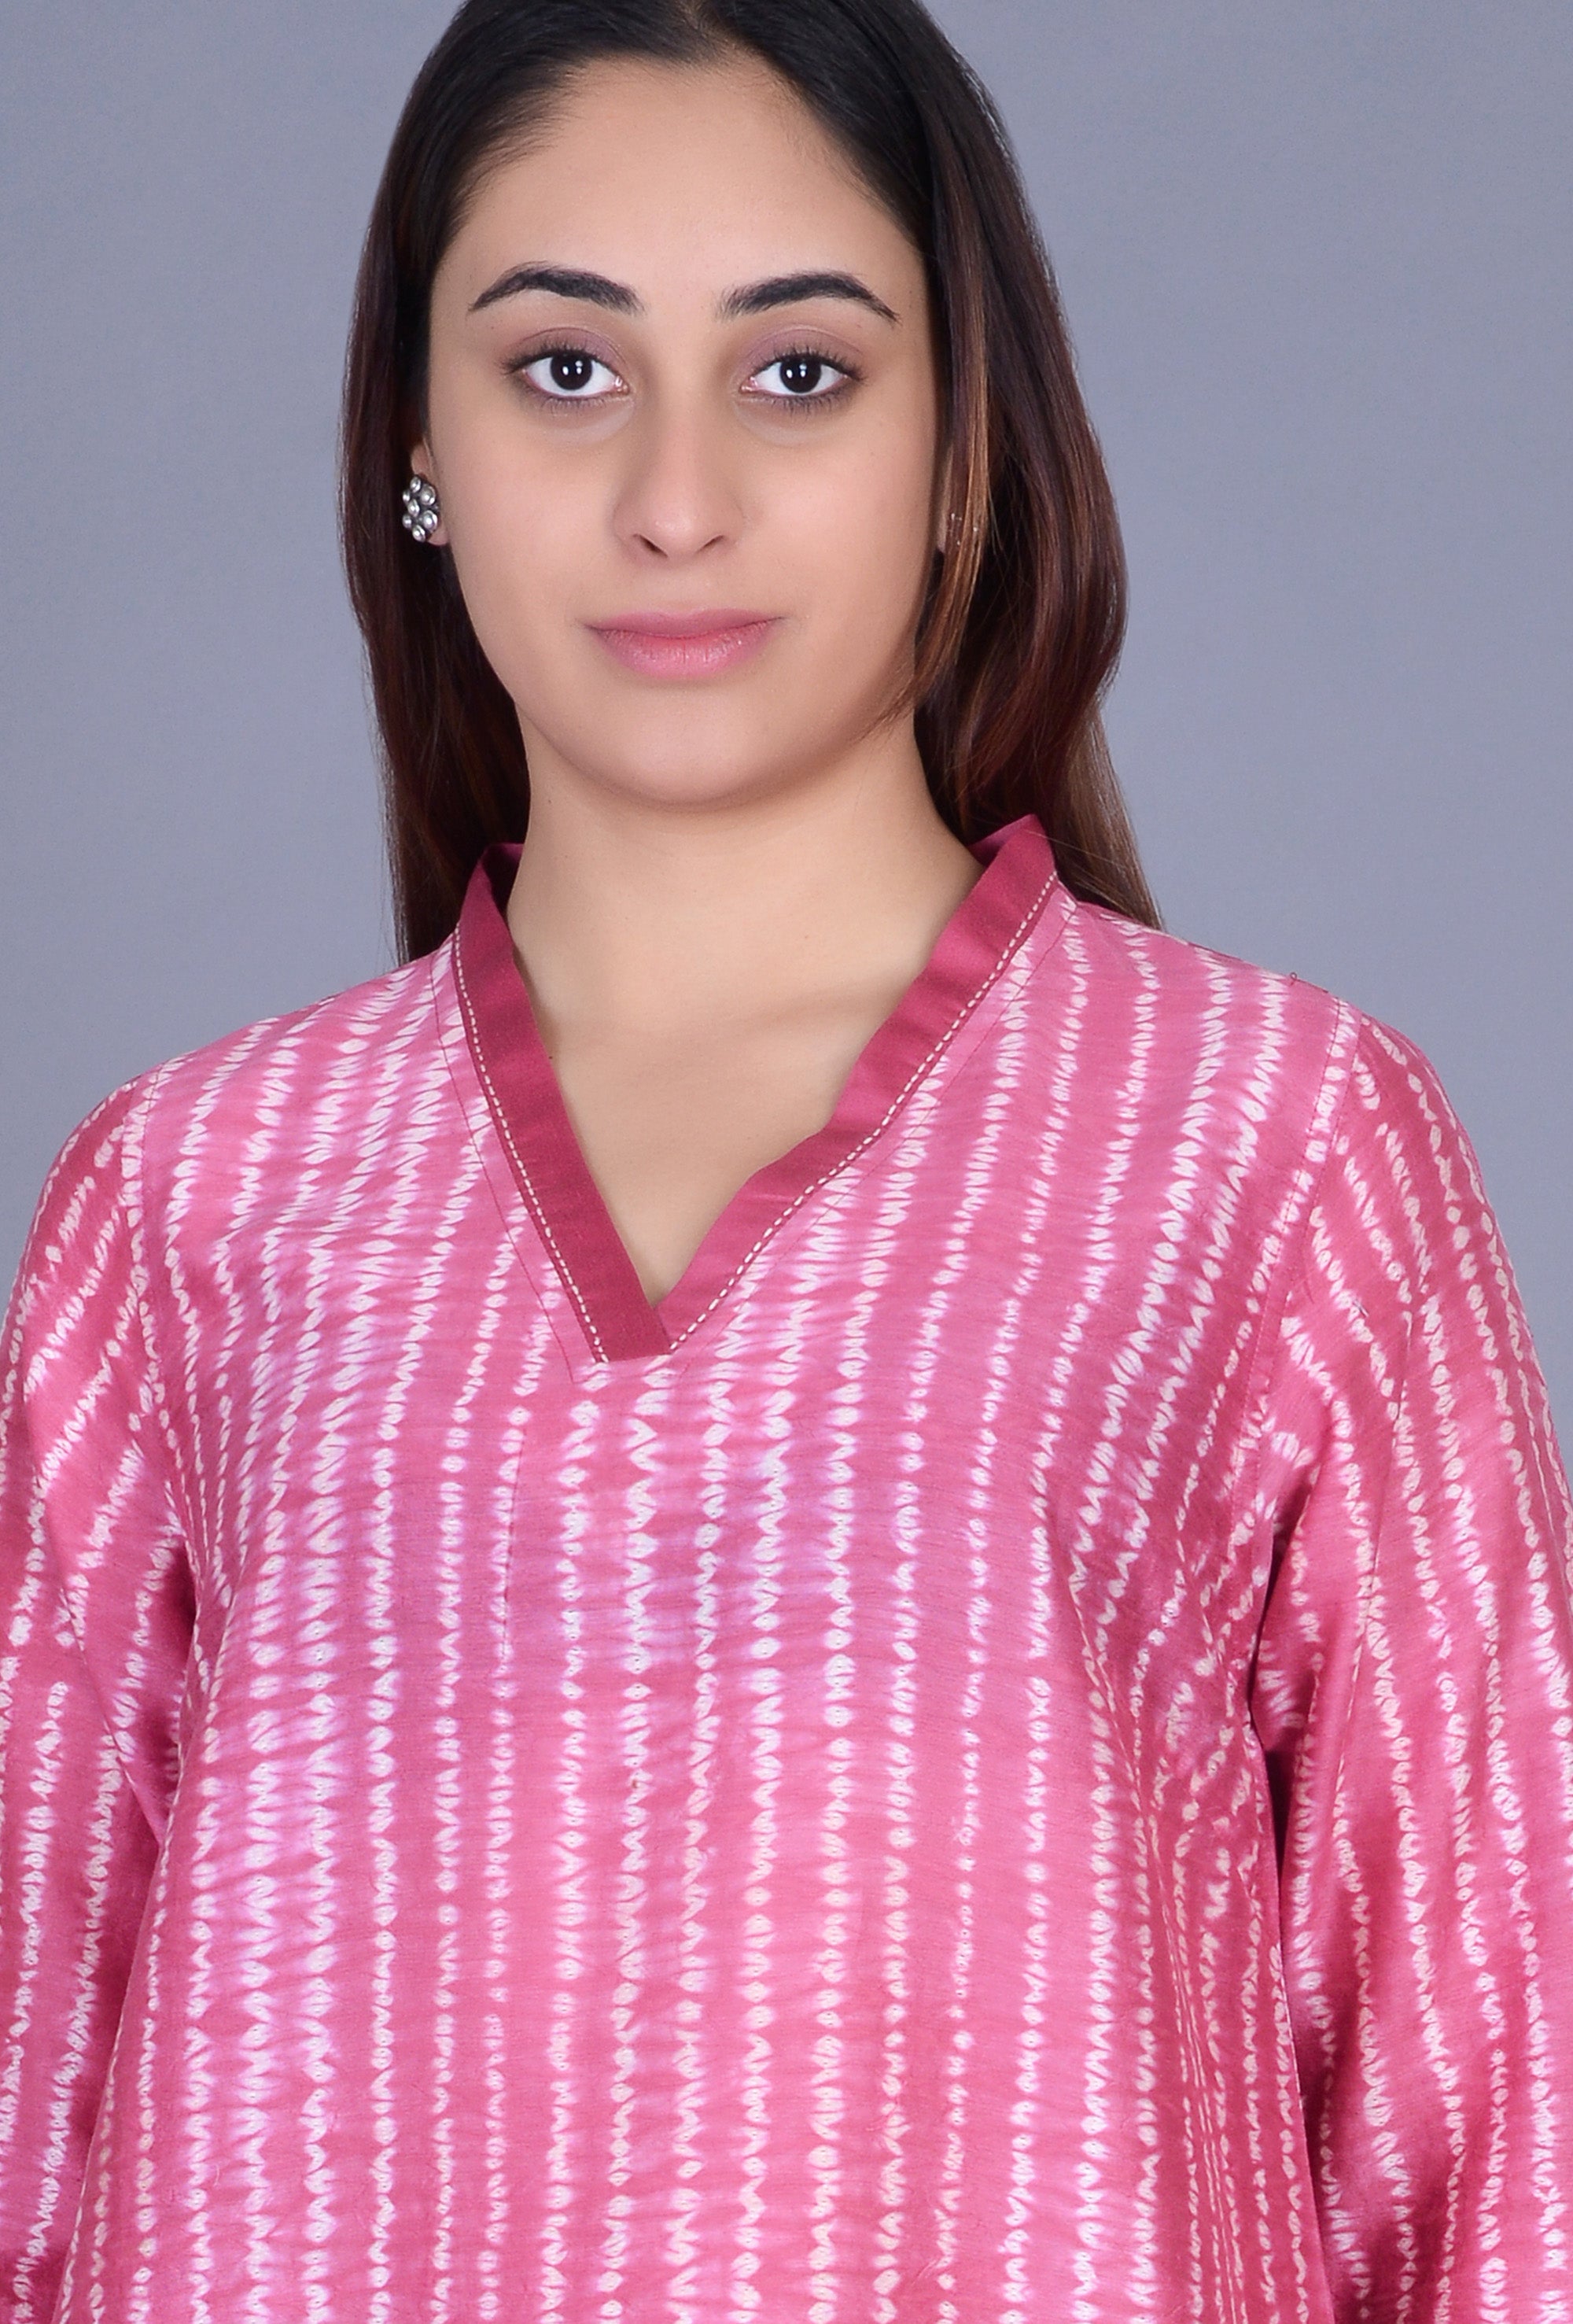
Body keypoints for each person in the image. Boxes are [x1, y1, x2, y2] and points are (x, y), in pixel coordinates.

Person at [2, 0, 1571, 2316]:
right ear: (417, 444)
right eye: (562, 367)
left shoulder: (1274, 1151)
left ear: (964, 449)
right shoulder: (191, 1207)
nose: (675, 494)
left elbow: (1513, 2151)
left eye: (800, 370)